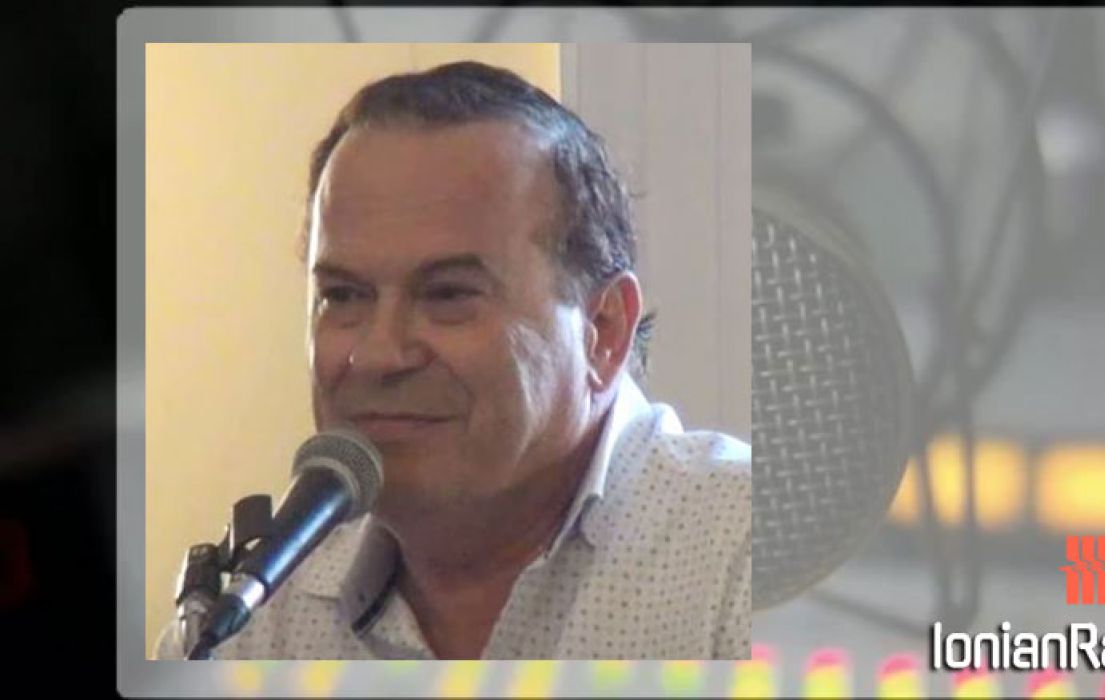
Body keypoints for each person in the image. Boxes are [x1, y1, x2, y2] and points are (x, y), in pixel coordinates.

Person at [154, 60, 750, 660]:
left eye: (447, 295)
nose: (379, 355)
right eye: (344, 295)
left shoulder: (742, 557)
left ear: (603, 330)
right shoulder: (249, 616)